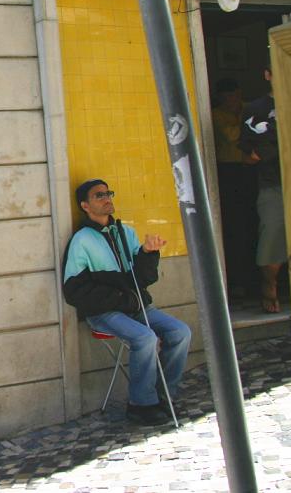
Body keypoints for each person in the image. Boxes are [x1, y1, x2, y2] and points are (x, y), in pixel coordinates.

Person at [62, 179, 192, 426]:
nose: (107, 198)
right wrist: (120, 299)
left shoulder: (126, 233)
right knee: (145, 338)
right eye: (99, 195)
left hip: (137, 307)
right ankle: (140, 404)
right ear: (85, 206)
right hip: (105, 312)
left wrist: (148, 253)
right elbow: (74, 290)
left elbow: (144, 278)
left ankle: (163, 395)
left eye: (108, 193)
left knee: (180, 332)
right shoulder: (82, 240)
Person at [238, 65, 285, 313]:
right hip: (273, 182)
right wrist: (268, 149)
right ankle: (270, 286)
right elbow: (247, 156)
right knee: (272, 234)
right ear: (267, 74)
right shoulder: (256, 109)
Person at [210, 78, 257, 297]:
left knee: (255, 222)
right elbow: (232, 136)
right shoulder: (216, 115)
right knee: (235, 226)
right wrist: (250, 126)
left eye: (235, 95)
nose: (232, 100)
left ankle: (254, 279)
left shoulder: (249, 109)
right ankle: (238, 280)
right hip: (228, 172)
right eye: (227, 97)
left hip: (252, 170)